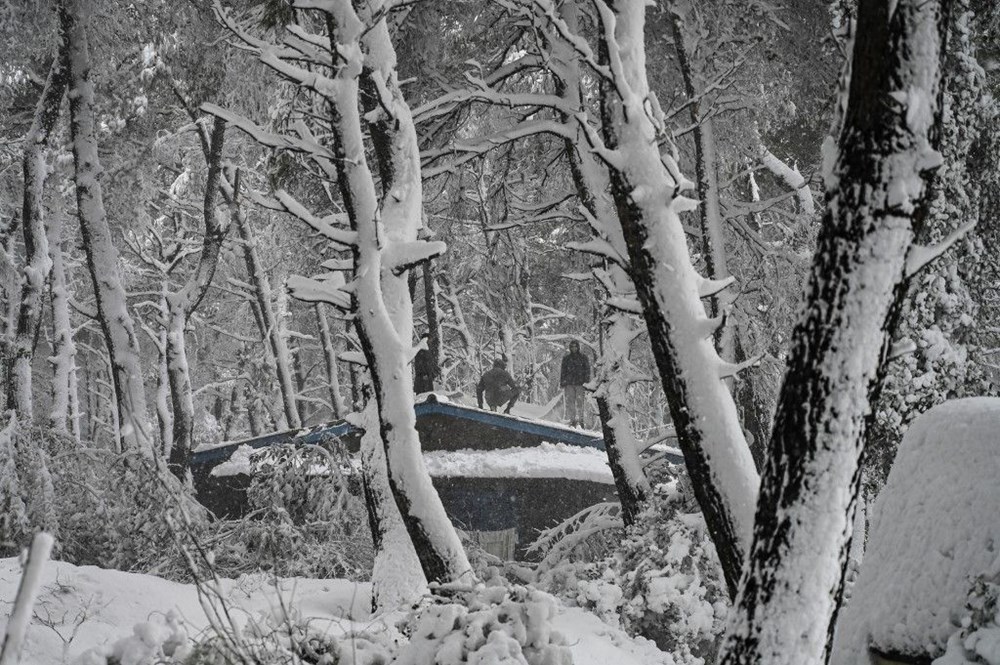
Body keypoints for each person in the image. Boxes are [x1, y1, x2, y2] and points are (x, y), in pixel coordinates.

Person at [560, 340, 590, 427]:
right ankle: (572, 421)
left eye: (575, 346)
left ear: (578, 347)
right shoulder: (566, 359)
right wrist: (562, 382)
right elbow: (563, 371)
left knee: (580, 403)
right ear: (570, 348)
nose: (574, 348)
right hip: (569, 384)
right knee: (570, 403)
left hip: (580, 384)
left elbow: (587, 370)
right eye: (572, 346)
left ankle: (581, 421)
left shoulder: (583, 358)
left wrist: (586, 382)